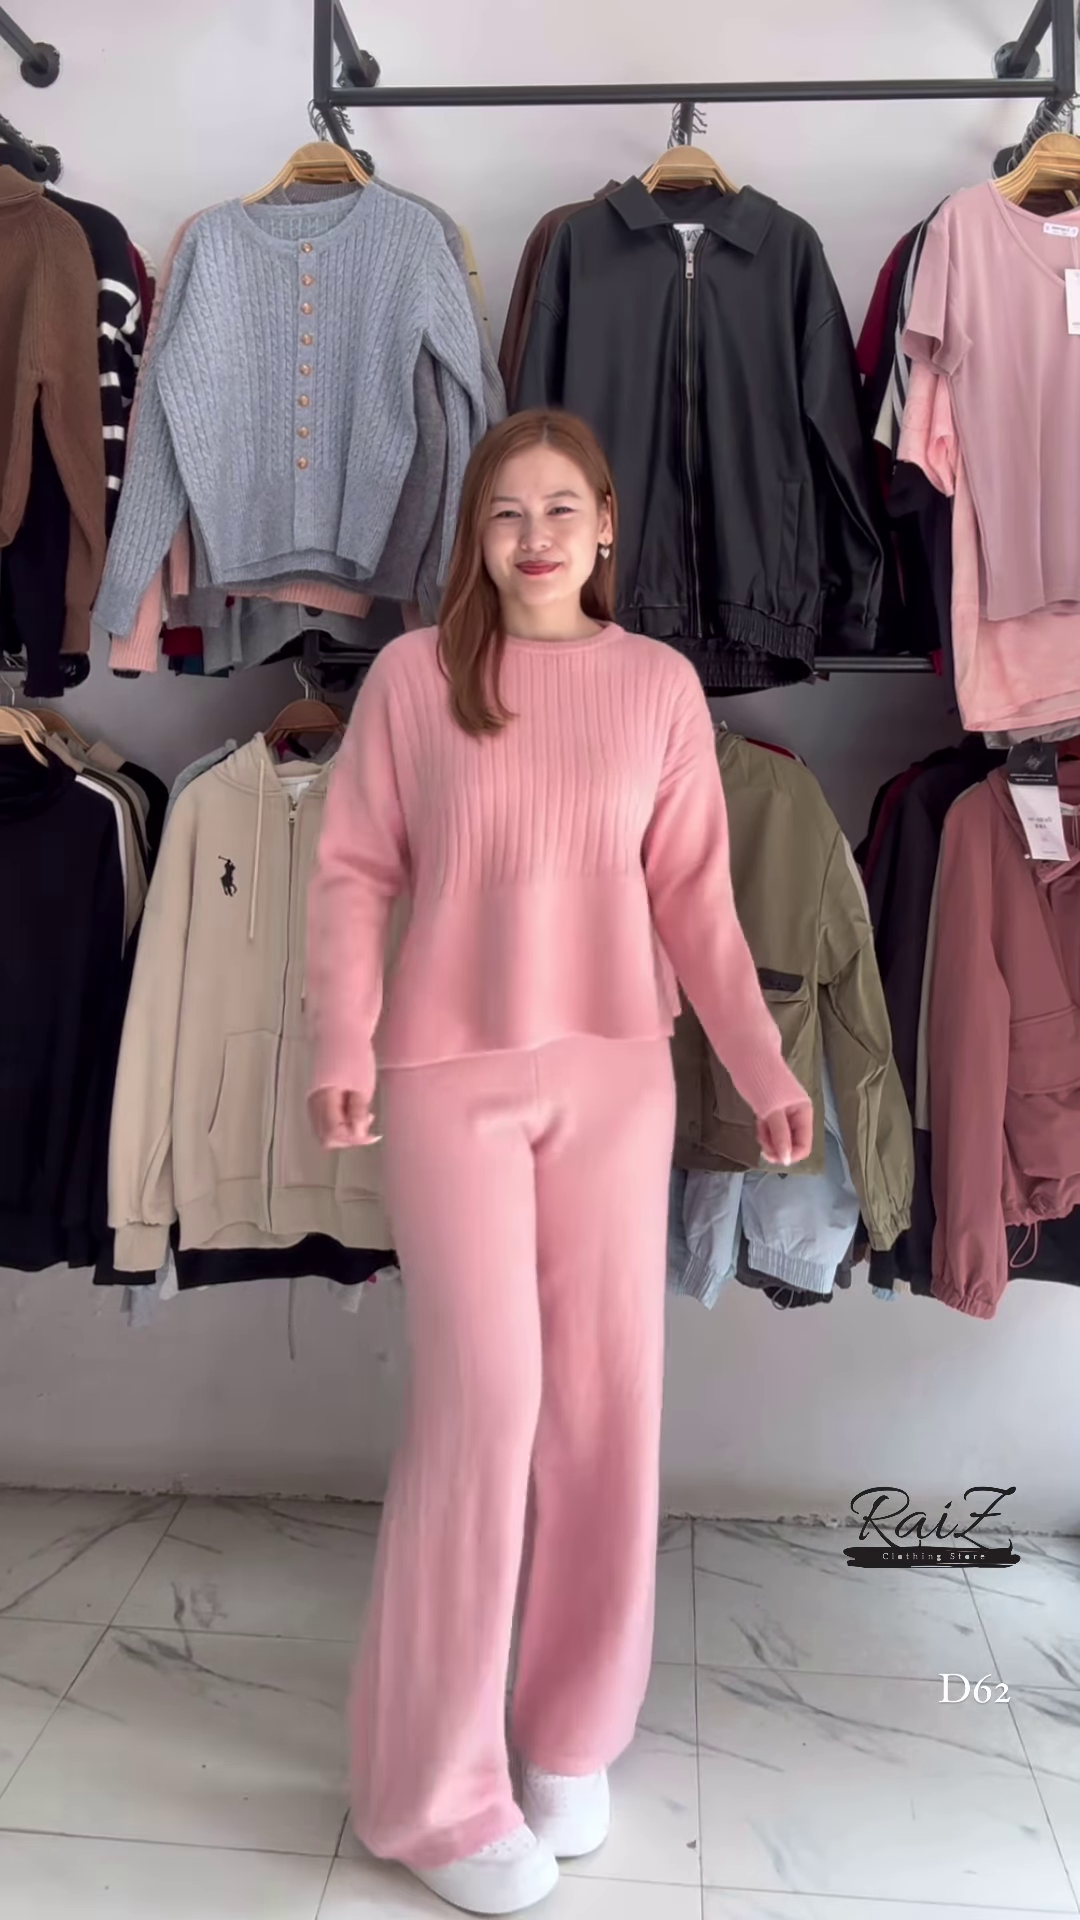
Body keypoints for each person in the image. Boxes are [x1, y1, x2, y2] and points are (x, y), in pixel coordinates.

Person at [306, 409, 812, 1916]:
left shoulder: (657, 686)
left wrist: (765, 1065)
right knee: (485, 1412)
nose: (534, 538)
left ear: (605, 526)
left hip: (616, 1076)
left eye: (560, 510)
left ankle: (572, 1732)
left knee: (605, 1402)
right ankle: (433, 1791)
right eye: (505, 512)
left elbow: (697, 899)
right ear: (476, 534)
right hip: (448, 1079)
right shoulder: (416, 677)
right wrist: (339, 1043)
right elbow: (354, 874)